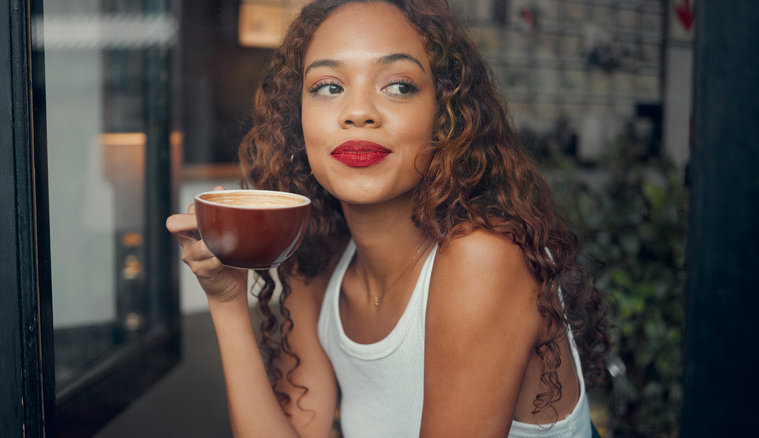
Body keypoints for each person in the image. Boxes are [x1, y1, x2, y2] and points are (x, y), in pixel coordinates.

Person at [167, 0, 611, 436]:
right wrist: (226, 302)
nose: (358, 112)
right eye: (328, 86)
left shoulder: (485, 260)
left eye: (398, 85)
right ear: (296, 120)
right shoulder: (318, 269)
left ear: (446, 115)